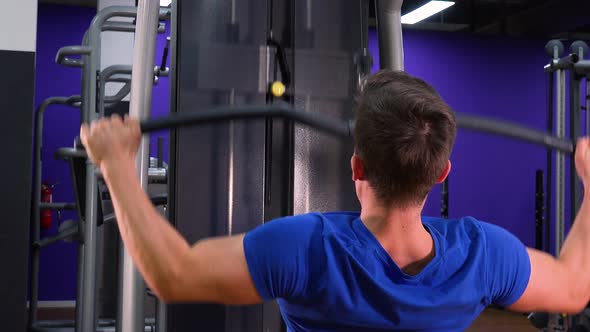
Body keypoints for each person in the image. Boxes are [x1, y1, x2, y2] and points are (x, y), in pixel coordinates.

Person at [80, 70, 590, 331]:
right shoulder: (483, 254)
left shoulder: (307, 248)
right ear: (442, 173)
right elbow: (573, 289)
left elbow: (173, 273)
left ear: (357, 166)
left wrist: (117, 166)